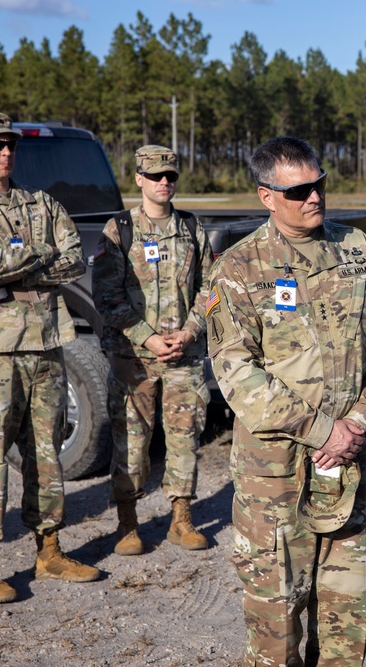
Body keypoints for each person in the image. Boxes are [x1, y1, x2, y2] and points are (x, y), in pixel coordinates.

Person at [204, 136, 366, 667]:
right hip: (276, 472)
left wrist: (358, 422)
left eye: (319, 184)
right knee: (277, 611)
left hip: (348, 462)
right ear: (266, 196)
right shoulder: (239, 268)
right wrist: (324, 431)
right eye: (298, 191)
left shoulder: (358, 250)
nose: (314, 198)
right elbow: (236, 372)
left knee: (346, 606)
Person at [0, 112, 100, 604]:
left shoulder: (41, 203)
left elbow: (74, 258)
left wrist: (24, 264)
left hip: (44, 343)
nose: (5, 152)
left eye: (10, 144)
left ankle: (49, 551)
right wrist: (41, 256)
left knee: (45, 453)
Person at [92, 145, 213, 555]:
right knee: (131, 439)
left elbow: (210, 290)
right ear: (140, 179)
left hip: (183, 355)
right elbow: (106, 296)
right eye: (156, 175)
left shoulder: (192, 228)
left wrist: (191, 330)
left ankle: (181, 518)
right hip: (134, 358)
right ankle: (128, 522)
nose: (165, 182)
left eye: (171, 176)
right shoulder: (119, 229)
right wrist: (147, 337)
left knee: (184, 438)